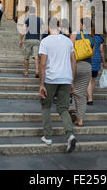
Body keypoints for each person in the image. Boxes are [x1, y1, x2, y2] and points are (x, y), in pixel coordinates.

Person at [38, 17, 77, 153]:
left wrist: (41, 84)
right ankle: (70, 134)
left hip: (51, 79)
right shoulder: (68, 41)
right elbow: (73, 62)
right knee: (63, 108)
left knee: (46, 105)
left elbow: (42, 63)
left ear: (49, 27)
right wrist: (71, 80)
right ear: (59, 26)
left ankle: (48, 136)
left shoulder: (45, 41)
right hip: (66, 78)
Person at [69, 17, 95, 127]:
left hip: (74, 65)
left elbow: (68, 50)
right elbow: (92, 55)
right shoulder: (92, 38)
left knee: (71, 89)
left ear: (82, 25)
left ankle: (72, 109)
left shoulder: (75, 34)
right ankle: (80, 119)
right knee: (82, 94)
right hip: (87, 66)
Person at [19, 7, 43, 77]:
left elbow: (23, 30)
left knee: (26, 57)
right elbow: (43, 30)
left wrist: (20, 40)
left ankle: (26, 72)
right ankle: (37, 71)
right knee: (36, 56)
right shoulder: (39, 20)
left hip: (28, 40)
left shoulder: (28, 20)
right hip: (37, 40)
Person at [87, 22, 107, 105]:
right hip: (97, 59)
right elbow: (101, 50)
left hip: (89, 59)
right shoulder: (100, 38)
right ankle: (91, 97)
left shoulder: (89, 37)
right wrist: (104, 62)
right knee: (93, 80)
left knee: (88, 80)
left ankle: (89, 98)